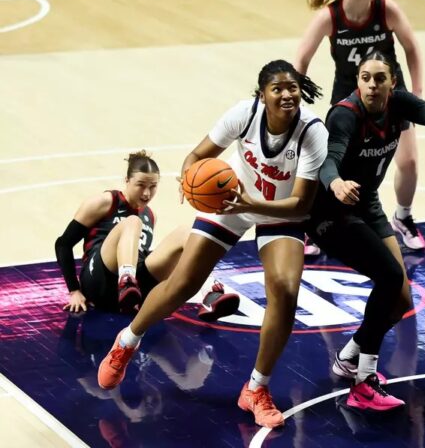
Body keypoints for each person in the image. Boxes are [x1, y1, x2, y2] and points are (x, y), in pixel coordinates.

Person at [96, 60, 329, 430]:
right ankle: (127, 341)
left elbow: (301, 203)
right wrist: (191, 182)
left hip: (279, 211)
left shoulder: (312, 131)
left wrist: (252, 204)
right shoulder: (244, 114)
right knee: (184, 282)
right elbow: (197, 157)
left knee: (285, 290)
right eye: (277, 88)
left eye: (292, 87)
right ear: (262, 95)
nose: (287, 94)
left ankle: (256, 389)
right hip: (230, 199)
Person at [306, 51, 425, 411]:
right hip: (332, 211)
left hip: (368, 206)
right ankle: (364, 381)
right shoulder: (345, 114)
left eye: (379, 78)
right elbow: (329, 159)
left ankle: (348, 356)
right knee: (390, 277)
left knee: (401, 298)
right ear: (357, 81)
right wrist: (336, 182)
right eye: (365, 78)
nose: (372, 85)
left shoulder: (399, 103)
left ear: (392, 83)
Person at [296, 0, 425, 252]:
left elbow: (412, 47)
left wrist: (416, 92)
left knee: (408, 161)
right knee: (333, 164)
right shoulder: (330, 17)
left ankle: (403, 217)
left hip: (391, 95)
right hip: (348, 97)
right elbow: (301, 57)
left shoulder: (386, 9)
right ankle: (312, 224)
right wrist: (297, 96)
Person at [54, 151, 233, 316]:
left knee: (186, 231)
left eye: (153, 186)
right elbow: (63, 244)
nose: (147, 193)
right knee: (133, 222)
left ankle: (210, 291)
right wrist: (74, 290)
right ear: (127, 180)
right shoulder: (105, 201)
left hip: (134, 290)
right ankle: (126, 281)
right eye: (140, 185)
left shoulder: (150, 215)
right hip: (98, 280)